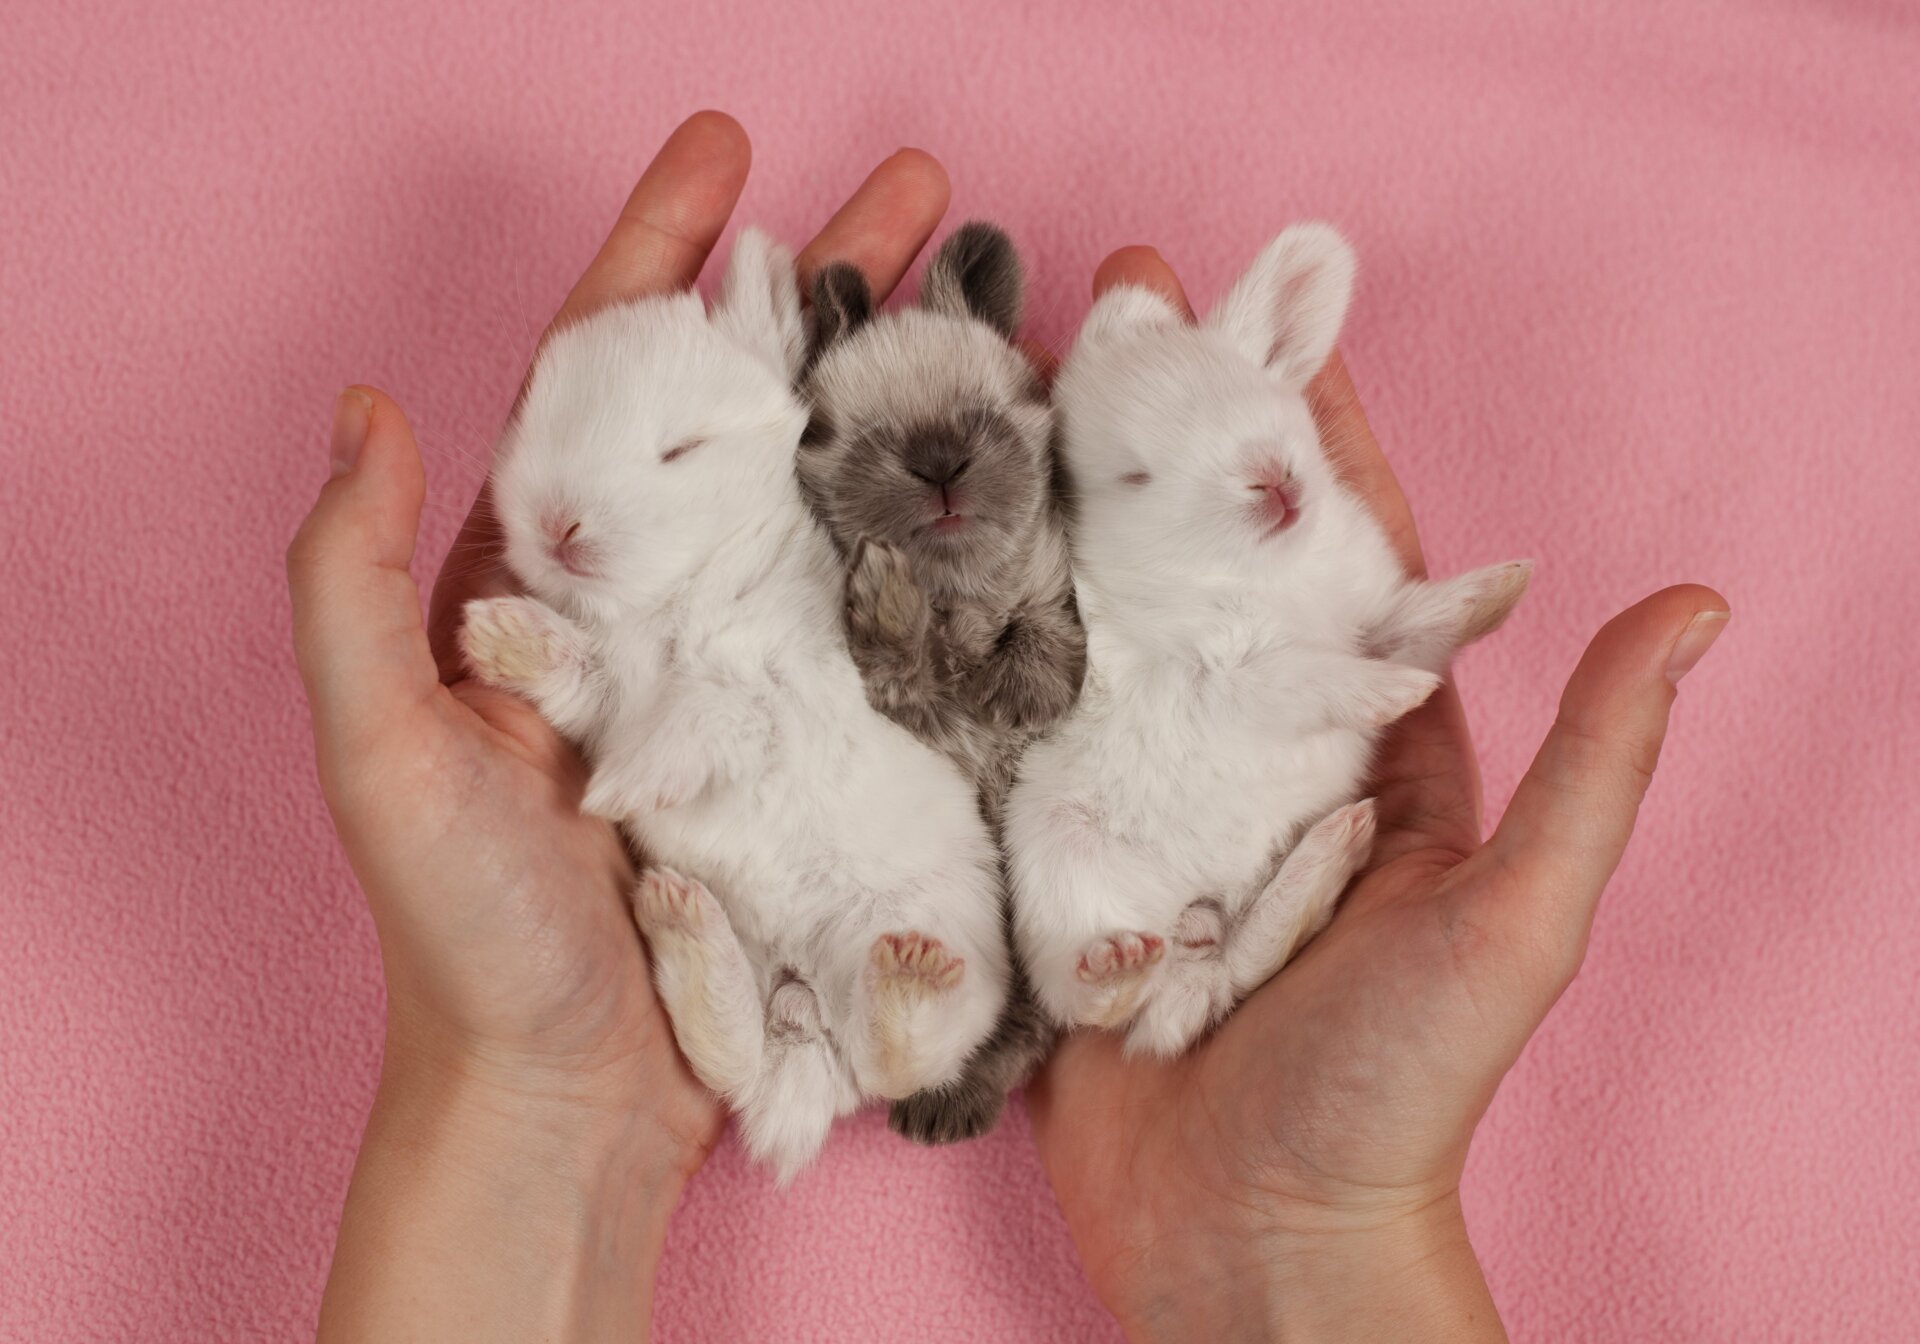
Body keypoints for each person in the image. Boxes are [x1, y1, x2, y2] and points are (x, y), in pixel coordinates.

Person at [286, 111, 1728, 1342]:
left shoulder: (1076, 569)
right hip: (847, 853)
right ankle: (763, 996)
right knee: (924, 910)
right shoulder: (821, 565)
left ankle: (886, 1010)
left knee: (952, 922)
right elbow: (844, 697)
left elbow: (1034, 687)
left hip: (1008, 861)